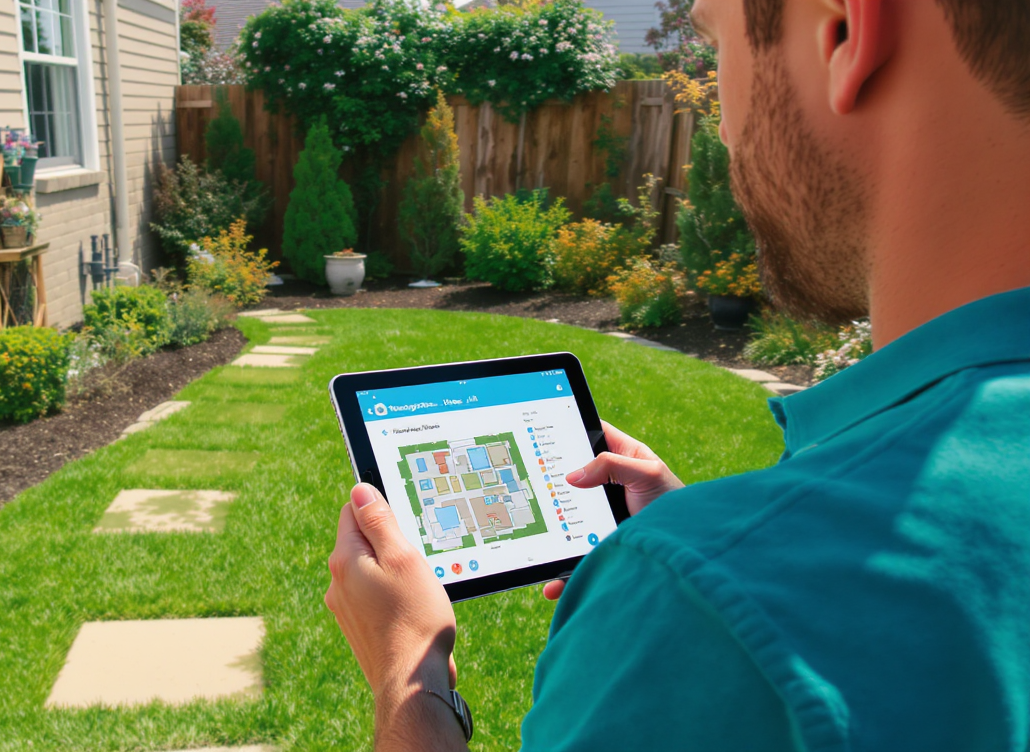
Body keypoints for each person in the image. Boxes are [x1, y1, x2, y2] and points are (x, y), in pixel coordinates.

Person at [323, 0, 1030, 748]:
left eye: (715, 38)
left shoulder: (709, 611)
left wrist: (410, 681)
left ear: (846, 31)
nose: (721, 127)